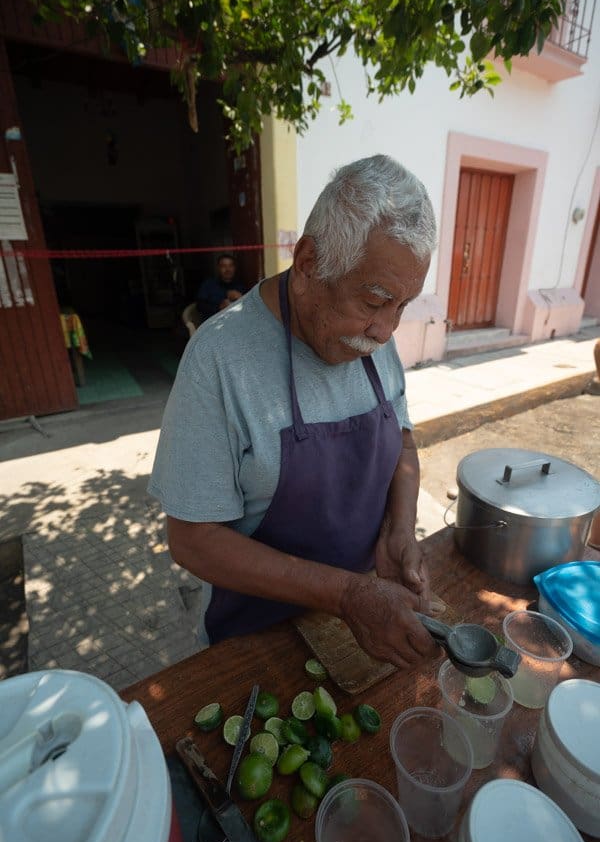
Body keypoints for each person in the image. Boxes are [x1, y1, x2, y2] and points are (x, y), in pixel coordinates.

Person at [149, 154, 441, 670]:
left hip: (363, 623)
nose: (387, 330)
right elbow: (192, 539)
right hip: (255, 641)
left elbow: (404, 440)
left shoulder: (374, 343)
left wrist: (402, 526)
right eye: (374, 302)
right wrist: (347, 595)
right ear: (308, 261)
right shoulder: (220, 359)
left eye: (403, 305)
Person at [196, 253, 245, 321]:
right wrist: (219, 307)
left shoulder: (240, 285)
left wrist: (242, 298)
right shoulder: (208, 284)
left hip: (233, 322)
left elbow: (248, 308)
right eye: (223, 266)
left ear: (234, 268)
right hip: (213, 323)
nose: (228, 269)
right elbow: (200, 306)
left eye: (230, 266)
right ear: (218, 268)